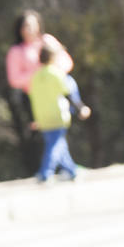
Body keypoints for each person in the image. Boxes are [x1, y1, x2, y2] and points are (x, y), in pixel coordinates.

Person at [5, 10, 74, 171]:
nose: (28, 29)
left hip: (58, 93)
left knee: (56, 133)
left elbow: (66, 62)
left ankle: (63, 169)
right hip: (35, 98)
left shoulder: (48, 41)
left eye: (31, 25)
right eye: (25, 26)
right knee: (52, 134)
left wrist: (50, 73)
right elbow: (14, 79)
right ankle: (61, 169)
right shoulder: (16, 51)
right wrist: (39, 73)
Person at [28, 42, 91, 182]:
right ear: (52, 57)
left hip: (42, 118)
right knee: (55, 145)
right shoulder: (56, 73)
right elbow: (68, 94)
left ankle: (72, 171)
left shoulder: (35, 77)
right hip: (57, 116)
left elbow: (32, 99)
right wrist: (81, 108)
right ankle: (45, 173)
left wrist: (34, 119)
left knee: (58, 143)